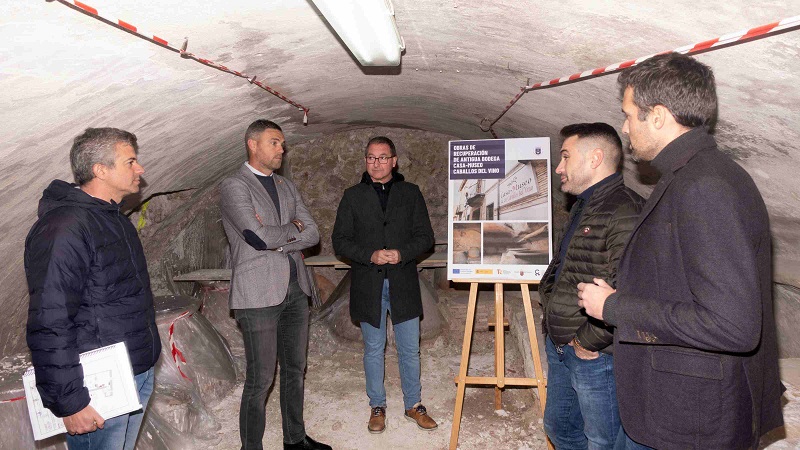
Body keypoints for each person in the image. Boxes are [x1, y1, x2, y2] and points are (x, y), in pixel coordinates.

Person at [577, 53, 784, 449]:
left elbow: (733, 326)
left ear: (657, 116)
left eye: (628, 115)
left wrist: (615, 306)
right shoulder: (695, 173)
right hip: (683, 407)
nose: (624, 127)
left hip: (694, 419)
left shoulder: (705, 185)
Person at [25, 127, 161, 450]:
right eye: (130, 162)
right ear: (101, 170)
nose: (139, 169)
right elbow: (50, 318)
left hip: (133, 373)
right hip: (97, 389)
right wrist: (70, 401)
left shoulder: (115, 220)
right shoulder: (65, 229)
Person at [219, 119, 329, 450]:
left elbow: (313, 232)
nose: (282, 149)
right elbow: (255, 236)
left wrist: (280, 237)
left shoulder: (285, 186)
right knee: (261, 378)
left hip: (296, 290)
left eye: (282, 143)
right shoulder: (234, 185)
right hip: (257, 295)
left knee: (295, 370)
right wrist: (289, 231)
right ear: (253, 145)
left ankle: (294, 440)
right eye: (274, 142)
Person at [539, 123, 643, 449]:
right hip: (562, 344)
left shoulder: (624, 210)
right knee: (560, 429)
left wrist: (587, 342)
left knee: (603, 441)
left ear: (595, 158)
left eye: (565, 157)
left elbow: (630, 290)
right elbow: (568, 266)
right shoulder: (585, 205)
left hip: (595, 356)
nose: (558, 167)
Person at [331, 136, 437, 434]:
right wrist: (370, 254)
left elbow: (425, 237)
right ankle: (377, 406)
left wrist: (401, 253)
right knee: (374, 349)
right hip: (368, 283)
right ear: (366, 161)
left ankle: (413, 405)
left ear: (394, 161)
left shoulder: (410, 193)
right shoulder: (352, 196)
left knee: (409, 349)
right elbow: (340, 240)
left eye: (382, 157)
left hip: (403, 281)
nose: (376, 163)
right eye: (370, 157)